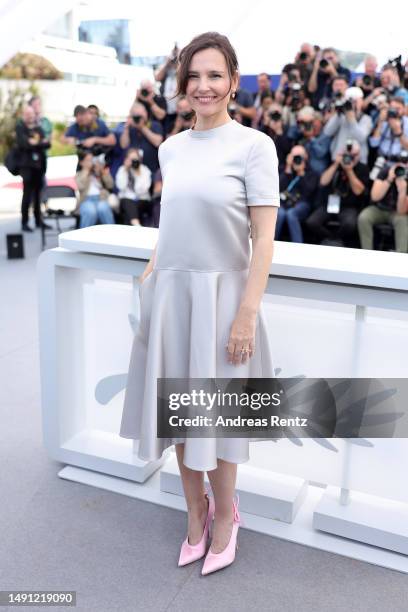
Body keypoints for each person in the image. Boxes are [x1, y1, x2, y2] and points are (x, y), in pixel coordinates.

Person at [119, 31, 280, 575]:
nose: (204, 86)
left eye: (215, 75)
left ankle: (227, 518)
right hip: (171, 298)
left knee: (220, 421)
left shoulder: (255, 147)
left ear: (234, 82)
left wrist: (247, 314)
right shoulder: (170, 148)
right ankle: (195, 513)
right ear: (182, 85)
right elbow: (172, 224)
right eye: (194, 77)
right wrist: (150, 274)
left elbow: (264, 239)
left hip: (224, 303)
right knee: (181, 420)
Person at [305, 141, 369, 246]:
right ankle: (332, 239)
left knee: (350, 224)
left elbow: (359, 191)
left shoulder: (363, 168)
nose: (350, 158)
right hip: (330, 204)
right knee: (312, 222)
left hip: (349, 206)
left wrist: (349, 171)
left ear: (359, 155)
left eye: (354, 155)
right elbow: (323, 182)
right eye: (348, 155)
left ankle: (335, 240)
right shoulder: (335, 164)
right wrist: (335, 164)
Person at [357, 156, 408, 252]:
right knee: (364, 217)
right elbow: (375, 197)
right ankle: (366, 253)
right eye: (400, 162)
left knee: (403, 221)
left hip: (396, 213)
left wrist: (402, 190)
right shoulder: (385, 172)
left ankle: (401, 257)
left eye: (405, 163)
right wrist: (389, 180)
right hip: (379, 208)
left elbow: (402, 211)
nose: (401, 166)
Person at [15, 105, 51, 232]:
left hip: (39, 167)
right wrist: (38, 143)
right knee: (27, 195)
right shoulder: (20, 128)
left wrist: (36, 143)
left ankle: (38, 221)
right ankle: (24, 222)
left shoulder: (38, 128)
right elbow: (23, 143)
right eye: (27, 114)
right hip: (27, 168)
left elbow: (47, 143)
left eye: (32, 113)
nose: (30, 116)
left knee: (38, 196)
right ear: (24, 115)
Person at [275, 145, 318, 242]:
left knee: (291, 214)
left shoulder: (311, 173)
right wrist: (288, 169)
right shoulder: (285, 169)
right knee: (280, 213)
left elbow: (308, 193)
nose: (296, 159)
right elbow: (277, 187)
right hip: (283, 203)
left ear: (305, 157)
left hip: (301, 203)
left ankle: (298, 245)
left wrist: (301, 173)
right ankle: (272, 244)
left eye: (299, 156)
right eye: (294, 156)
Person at [323, 86, 373, 164]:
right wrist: (338, 114)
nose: (352, 104)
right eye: (350, 102)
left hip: (358, 161)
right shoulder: (341, 117)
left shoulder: (366, 119)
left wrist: (351, 119)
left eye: (355, 101)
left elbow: (361, 138)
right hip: (339, 159)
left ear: (361, 101)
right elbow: (327, 132)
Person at [75, 151, 115, 228]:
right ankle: (83, 237)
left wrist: (103, 173)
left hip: (101, 198)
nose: (91, 162)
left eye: (92, 159)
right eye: (88, 160)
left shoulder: (99, 172)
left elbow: (110, 185)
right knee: (90, 211)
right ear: (81, 162)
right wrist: (86, 171)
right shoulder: (79, 174)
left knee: (103, 208)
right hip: (86, 200)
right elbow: (80, 186)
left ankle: (112, 235)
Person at [115, 148, 152, 226]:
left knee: (130, 209)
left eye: (135, 159)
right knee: (128, 202)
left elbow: (143, 190)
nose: (133, 161)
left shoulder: (144, 170)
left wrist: (138, 174)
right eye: (131, 159)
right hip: (126, 201)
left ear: (139, 159)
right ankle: (137, 225)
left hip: (142, 200)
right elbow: (121, 187)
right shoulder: (122, 169)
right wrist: (125, 170)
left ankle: (135, 225)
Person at [154, 43, 180, 134]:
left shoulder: (181, 67)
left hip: (178, 107)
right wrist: (167, 62)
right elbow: (157, 78)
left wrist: (180, 59)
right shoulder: (166, 67)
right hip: (164, 106)